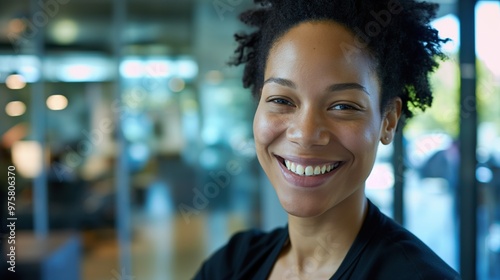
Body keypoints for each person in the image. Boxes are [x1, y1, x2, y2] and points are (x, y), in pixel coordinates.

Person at [195, 0, 461, 279]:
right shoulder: (232, 264)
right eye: (282, 100)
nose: (306, 134)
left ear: (388, 121)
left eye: (343, 106)